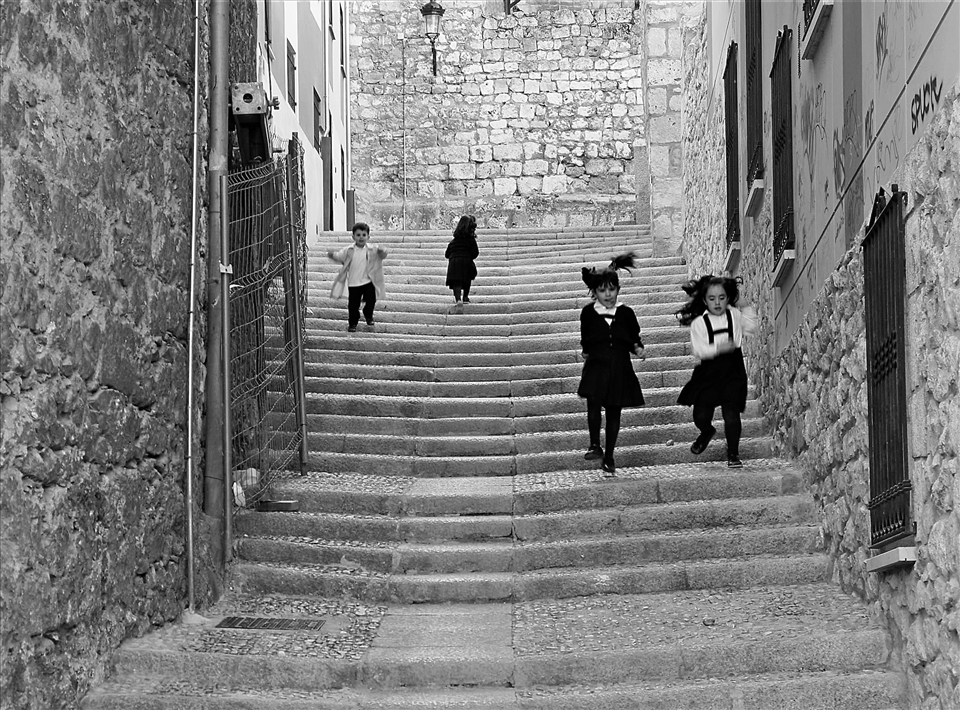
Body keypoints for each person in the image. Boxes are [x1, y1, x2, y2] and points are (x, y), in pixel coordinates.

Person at [675, 275, 758, 468]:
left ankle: (733, 454)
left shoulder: (735, 315)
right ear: (704, 300)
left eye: (722, 297)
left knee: (731, 414)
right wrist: (719, 348)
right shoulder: (699, 324)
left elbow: (751, 326)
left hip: (733, 370)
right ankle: (707, 431)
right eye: (712, 299)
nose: (717, 302)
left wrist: (742, 302)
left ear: (728, 298)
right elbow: (699, 349)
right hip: (708, 372)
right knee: (701, 416)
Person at [577, 253, 646, 476]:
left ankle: (609, 456)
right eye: (602, 290)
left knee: (614, 412)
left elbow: (633, 337)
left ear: (618, 289)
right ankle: (594, 444)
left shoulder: (626, 313)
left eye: (612, 289)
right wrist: (586, 353)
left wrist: (637, 348)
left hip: (619, 367)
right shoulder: (588, 313)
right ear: (594, 292)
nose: (608, 294)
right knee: (593, 405)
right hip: (596, 366)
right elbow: (585, 338)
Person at [327, 222, 387, 332]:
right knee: (353, 305)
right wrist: (332, 256)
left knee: (371, 300)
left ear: (368, 237)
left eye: (364, 235)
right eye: (358, 235)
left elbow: (382, 255)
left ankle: (368, 314)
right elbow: (339, 257)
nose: (361, 237)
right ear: (353, 236)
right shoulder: (349, 250)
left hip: (368, 281)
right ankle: (353, 323)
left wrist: (383, 251)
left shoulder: (372, 249)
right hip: (353, 283)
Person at [445, 215, 479, 310]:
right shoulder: (471, 240)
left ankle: (458, 300)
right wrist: (469, 257)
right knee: (467, 279)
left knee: (457, 283)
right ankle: (465, 297)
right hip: (466, 261)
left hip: (454, 262)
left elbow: (447, 254)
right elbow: (475, 253)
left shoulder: (453, 241)